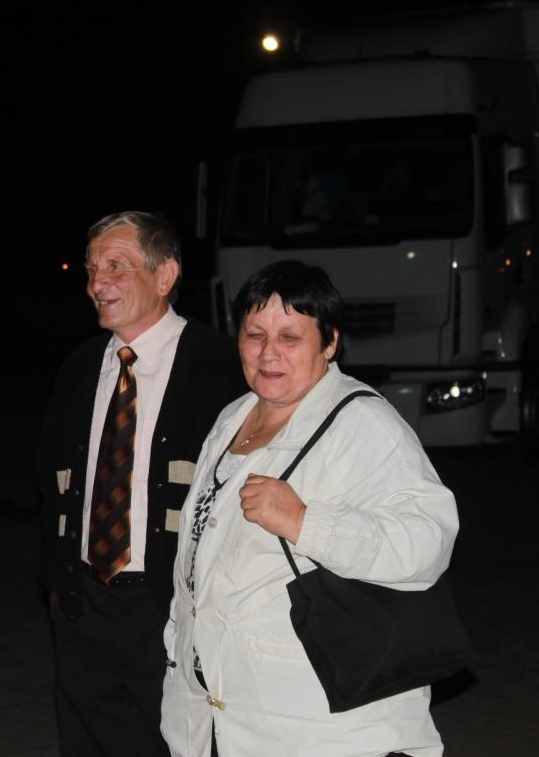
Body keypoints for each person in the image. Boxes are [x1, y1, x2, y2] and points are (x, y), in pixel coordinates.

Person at [160, 259, 459, 756]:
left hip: (322, 724)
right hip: (218, 716)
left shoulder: (362, 423)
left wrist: (306, 522)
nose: (268, 353)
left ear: (330, 342)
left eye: (290, 337)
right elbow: (195, 563)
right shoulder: (233, 417)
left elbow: (428, 541)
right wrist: (178, 657)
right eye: (255, 335)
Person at [38, 211, 246, 756]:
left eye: (116, 267)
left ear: (165, 274)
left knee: (172, 742)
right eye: (92, 269)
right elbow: (51, 480)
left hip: (171, 604)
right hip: (85, 602)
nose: (96, 283)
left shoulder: (221, 365)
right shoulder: (81, 365)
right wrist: (58, 581)